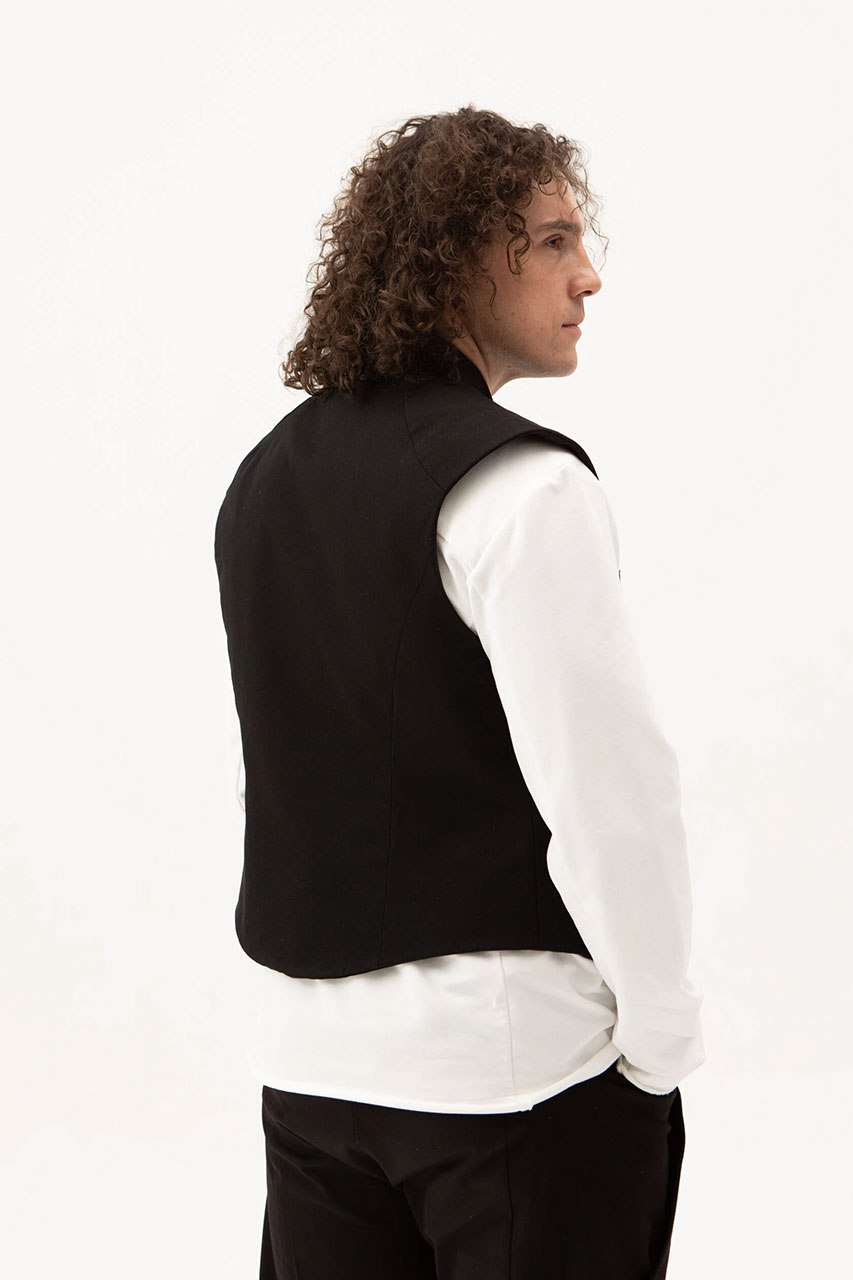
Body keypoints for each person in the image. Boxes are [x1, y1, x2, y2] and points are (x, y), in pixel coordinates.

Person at [214, 104, 705, 1279]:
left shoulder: (265, 476)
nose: (588, 276)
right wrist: (658, 1041)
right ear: (460, 258)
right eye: (553, 240)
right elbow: (612, 796)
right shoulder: (521, 487)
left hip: (309, 1067)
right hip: (511, 1077)